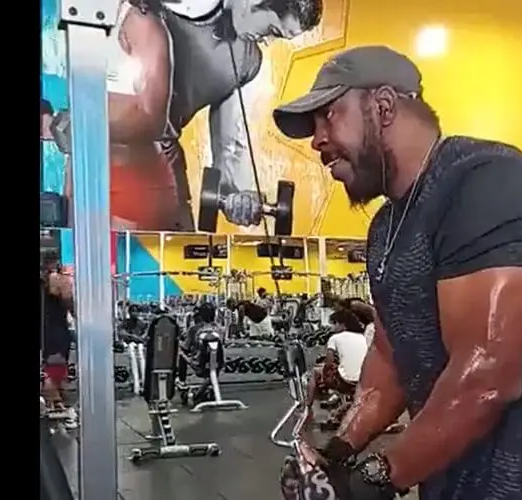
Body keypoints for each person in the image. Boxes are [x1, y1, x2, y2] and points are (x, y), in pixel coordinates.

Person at [272, 46, 522, 499]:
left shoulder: (487, 182)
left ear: (383, 106)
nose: (316, 140)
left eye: (328, 115)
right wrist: (337, 452)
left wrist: (373, 480)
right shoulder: (386, 227)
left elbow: (486, 374)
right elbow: (392, 355)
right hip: (448, 478)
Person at [54, 0, 324, 231]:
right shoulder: (163, 9)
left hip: (163, 163)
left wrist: (236, 197)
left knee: (167, 264)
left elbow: (228, 146)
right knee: (94, 263)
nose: (267, 41)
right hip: (106, 149)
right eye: (273, 30)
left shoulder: (247, 61)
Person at [305, 309, 369, 417]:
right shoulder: (362, 337)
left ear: (343, 325)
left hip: (345, 381)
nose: (332, 327)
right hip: (362, 380)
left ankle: (307, 407)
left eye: (335, 323)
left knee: (315, 372)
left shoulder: (334, 338)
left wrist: (324, 371)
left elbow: (328, 362)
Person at [40, 252, 76, 424]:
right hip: (54, 330)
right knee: (54, 370)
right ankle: (56, 404)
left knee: (50, 369)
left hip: (48, 329)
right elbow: (68, 300)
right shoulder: (56, 279)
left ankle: (54, 403)